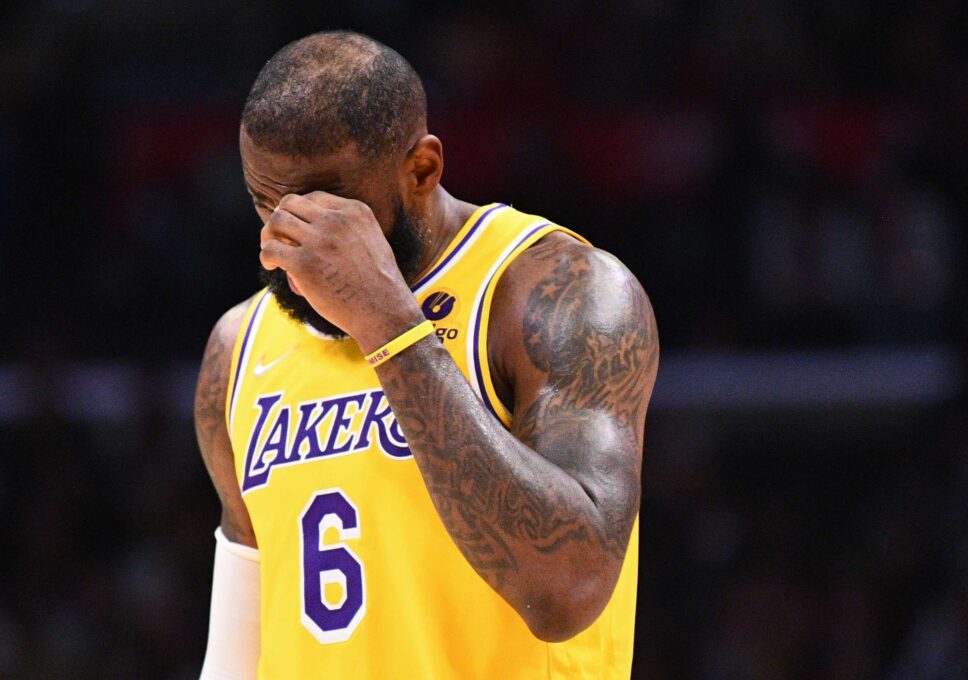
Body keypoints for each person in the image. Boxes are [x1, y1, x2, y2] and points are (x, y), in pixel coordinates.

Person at [195, 30, 658, 680]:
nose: (288, 243)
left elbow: (569, 591)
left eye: (324, 210)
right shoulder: (238, 349)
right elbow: (236, 657)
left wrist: (389, 326)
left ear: (421, 170)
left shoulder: (555, 293)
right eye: (266, 206)